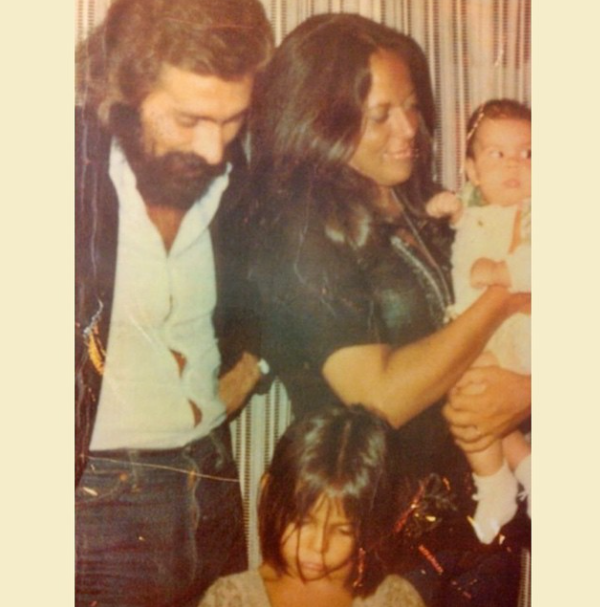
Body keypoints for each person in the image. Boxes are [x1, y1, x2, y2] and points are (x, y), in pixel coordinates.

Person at [247, 13, 529, 605]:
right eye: (381, 115)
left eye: (412, 107)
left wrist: (530, 389)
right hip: (372, 540)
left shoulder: (426, 202)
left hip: (480, 523)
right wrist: (505, 298)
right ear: (321, 118)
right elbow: (378, 398)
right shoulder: (300, 228)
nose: (409, 129)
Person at [74, 1, 273, 605]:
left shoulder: (232, 172)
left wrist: (252, 366)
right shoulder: (59, 170)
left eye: (232, 120)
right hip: (96, 504)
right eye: (189, 120)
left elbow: (270, 280)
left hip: (213, 481)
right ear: (124, 94)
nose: (213, 150)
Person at [426, 99, 532, 543]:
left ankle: (498, 484)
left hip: (522, 332)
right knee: (474, 400)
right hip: (486, 333)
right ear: (472, 170)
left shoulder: (537, 210)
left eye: (528, 153)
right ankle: (521, 472)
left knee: (470, 394)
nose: (514, 164)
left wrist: (503, 271)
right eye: (497, 154)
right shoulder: (477, 208)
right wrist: (451, 212)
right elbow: (468, 230)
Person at [199, 405, 426, 607]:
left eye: (343, 530)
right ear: (269, 493)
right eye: (303, 522)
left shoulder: (394, 599)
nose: (318, 547)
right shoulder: (230, 599)